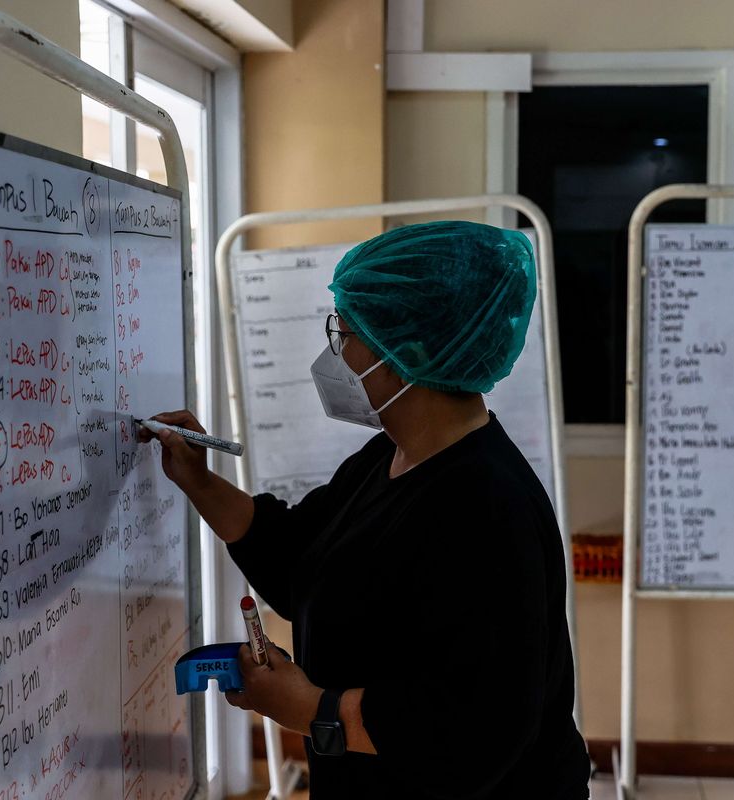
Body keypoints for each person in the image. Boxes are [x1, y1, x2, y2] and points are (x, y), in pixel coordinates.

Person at [139, 220, 590, 798]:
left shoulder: (487, 508)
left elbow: (479, 729)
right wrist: (199, 482)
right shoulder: (390, 455)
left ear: (411, 352)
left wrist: (311, 709)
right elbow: (299, 558)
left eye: (347, 332)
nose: (336, 352)